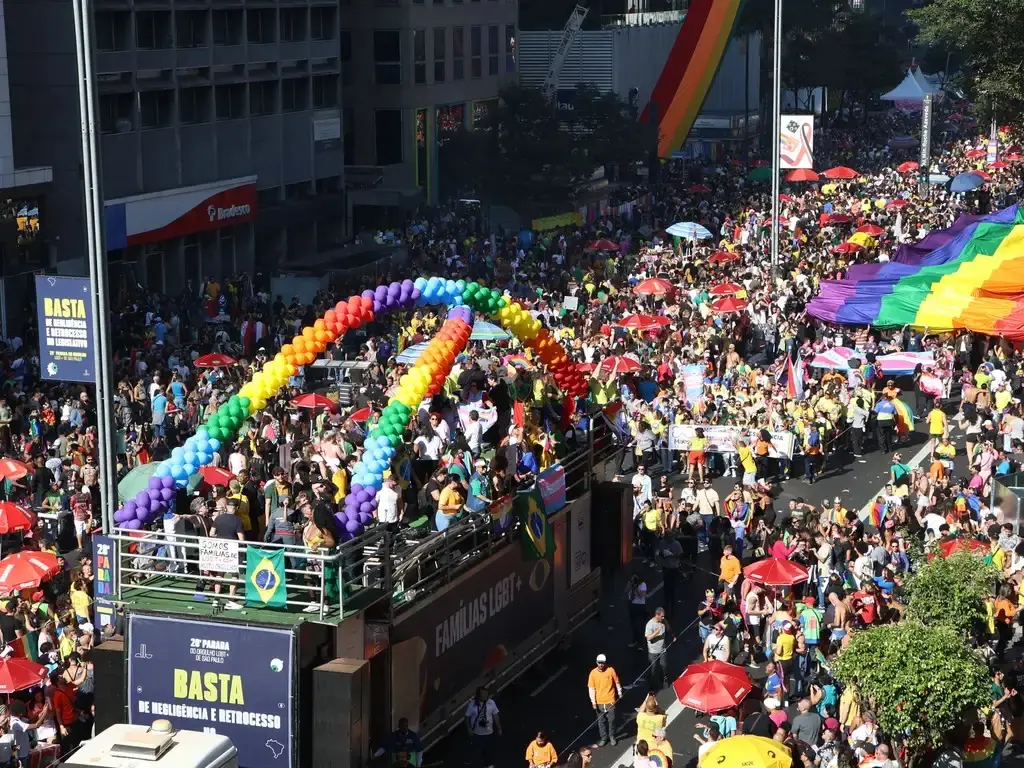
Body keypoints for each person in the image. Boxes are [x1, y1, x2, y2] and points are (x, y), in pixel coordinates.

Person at [588, 653, 622, 747]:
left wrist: (620, 693)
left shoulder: (611, 670)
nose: (601, 664)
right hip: (599, 702)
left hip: (610, 700)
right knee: (601, 721)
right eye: (599, 662)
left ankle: (612, 736)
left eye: (602, 663)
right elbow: (591, 688)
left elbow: (617, 682)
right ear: (596, 662)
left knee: (611, 720)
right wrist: (593, 702)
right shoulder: (593, 673)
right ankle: (603, 738)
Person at [465, 687, 501, 768]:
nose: (485, 696)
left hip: (489, 732)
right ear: (478, 695)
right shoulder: (472, 705)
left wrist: (499, 728)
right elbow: (467, 717)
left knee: (488, 749)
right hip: (477, 733)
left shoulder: (491, 703)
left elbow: (496, 715)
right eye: (483, 694)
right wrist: (469, 728)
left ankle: (488, 764)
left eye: (486, 694)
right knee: (477, 750)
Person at [645, 606, 671, 691]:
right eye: (662, 616)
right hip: (653, 651)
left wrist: (672, 635)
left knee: (664, 666)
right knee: (652, 669)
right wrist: (657, 631)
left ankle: (664, 681)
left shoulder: (664, 621)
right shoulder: (650, 624)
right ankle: (651, 687)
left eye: (664, 616)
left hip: (662, 649)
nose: (663, 618)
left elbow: (668, 629)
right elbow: (648, 638)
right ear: (657, 615)